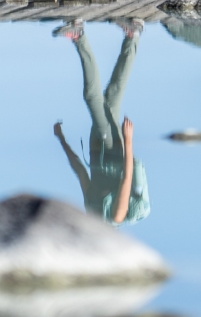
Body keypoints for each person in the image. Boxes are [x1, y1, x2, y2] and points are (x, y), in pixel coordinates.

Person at [52, 20, 150, 225]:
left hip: (97, 147)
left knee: (113, 92)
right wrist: (128, 140)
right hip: (114, 147)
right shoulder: (116, 216)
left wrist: (62, 140)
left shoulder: (91, 211)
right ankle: (79, 37)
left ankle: (133, 36)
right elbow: (126, 178)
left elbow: (80, 172)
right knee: (91, 97)